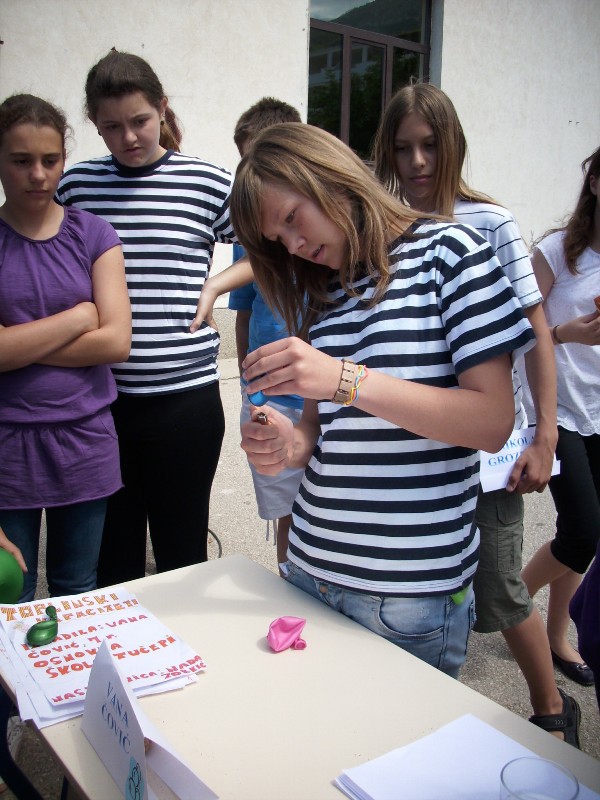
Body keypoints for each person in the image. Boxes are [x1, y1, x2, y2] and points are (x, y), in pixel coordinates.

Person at [230, 121, 535, 680]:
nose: (293, 246)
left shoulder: (452, 252)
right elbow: (319, 431)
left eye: (292, 218)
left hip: (406, 593)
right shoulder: (325, 288)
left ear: (330, 176)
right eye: (278, 240)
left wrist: (345, 379)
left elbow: (492, 421)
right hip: (310, 569)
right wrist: (284, 444)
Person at [372, 82, 579, 746]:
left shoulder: (490, 224)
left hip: (485, 454)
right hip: (412, 447)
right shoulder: (382, 225)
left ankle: (551, 710)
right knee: (416, 596)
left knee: (497, 587)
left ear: (453, 144)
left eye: (430, 145)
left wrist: (544, 435)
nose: (417, 162)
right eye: (403, 148)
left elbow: (535, 333)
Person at [57, 51, 243, 585]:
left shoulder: (207, 182)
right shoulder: (77, 188)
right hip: (100, 404)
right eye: (111, 127)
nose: (129, 137)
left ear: (162, 108)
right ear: (94, 124)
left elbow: (271, 246)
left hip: (185, 402)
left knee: (181, 555)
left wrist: (216, 284)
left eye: (139, 120)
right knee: (113, 559)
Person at [0, 93, 131, 603]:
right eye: (21, 160)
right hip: (8, 445)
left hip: (84, 440)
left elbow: (116, 341)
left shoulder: (93, 234)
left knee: (77, 589)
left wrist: (18, 341)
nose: (38, 174)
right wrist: (77, 318)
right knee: (11, 592)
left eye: (50, 160)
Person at [522, 146, 600, 692]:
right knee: (583, 533)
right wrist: (565, 333)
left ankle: (556, 637)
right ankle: (507, 601)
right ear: (594, 183)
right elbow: (519, 334)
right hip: (559, 411)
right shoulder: (555, 253)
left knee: (586, 532)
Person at [228, 98, 304, 572]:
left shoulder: (315, 235)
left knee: (323, 505)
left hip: (321, 396)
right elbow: (243, 314)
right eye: (245, 162)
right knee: (286, 515)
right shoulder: (250, 236)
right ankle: (288, 584)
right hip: (269, 397)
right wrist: (246, 383)